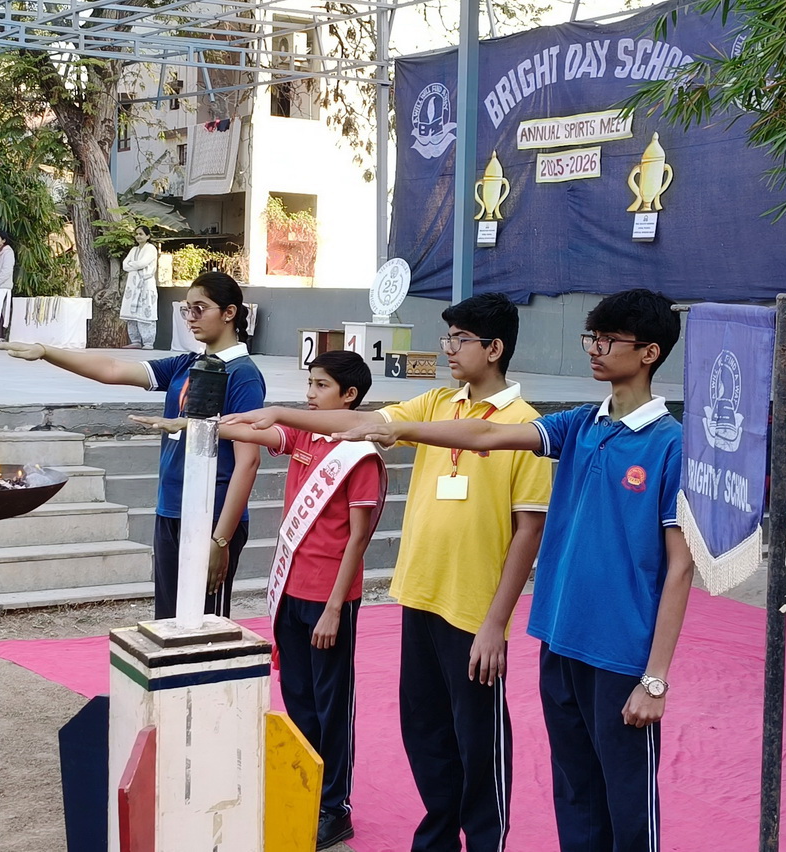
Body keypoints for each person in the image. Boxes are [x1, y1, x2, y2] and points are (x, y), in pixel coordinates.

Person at [329, 288, 694, 852]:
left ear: (649, 353)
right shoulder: (579, 425)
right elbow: (488, 435)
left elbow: (679, 567)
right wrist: (393, 427)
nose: (594, 350)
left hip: (620, 651)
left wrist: (655, 678)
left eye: (608, 340)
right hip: (559, 640)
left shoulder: (671, 445)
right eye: (591, 338)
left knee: (626, 801)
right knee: (575, 792)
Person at [224, 293, 552, 852]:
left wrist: (497, 623)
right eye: (448, 337)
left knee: (478, 737)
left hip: (474, 608)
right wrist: (281, 414)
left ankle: (485, 840)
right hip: (419, 595)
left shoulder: (526, 427)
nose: (448, 349)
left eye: (460, 339)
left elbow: (529, 531)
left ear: (494, 348)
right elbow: (360, 422)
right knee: (424, 729)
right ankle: (437, 837)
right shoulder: (437, 402)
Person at [133, 349, 385, 850]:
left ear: (350, 395)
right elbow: (253, 430)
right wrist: (190, 426)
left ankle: (335, 806)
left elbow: (359, 538)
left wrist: (335, 607)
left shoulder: (360, 453)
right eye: (309, 384)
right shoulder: (305, 435)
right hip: (291, 589)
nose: (310, 395)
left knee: (332, 703)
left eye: (321, 386)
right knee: (299, 695)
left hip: (329, 598)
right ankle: (305, 784)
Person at [0, 272, 264, 619]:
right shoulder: (188, 364)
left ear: (229, 313)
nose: (191, 318)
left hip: (212, 516)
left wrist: (221, 539)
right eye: (186, 310)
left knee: (204, 625)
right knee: (169, 620)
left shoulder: (242, 374)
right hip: (172, 508)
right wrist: (46, 351)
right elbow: (113, 368)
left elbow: (248, 461)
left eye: (200, 309)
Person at [120, 225, 159, 350]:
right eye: (136, 234)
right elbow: (124, 265)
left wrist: (132, 265)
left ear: (148, 236)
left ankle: (148, 342)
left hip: (145, 284)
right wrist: (135, 265)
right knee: (131, 313)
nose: (138, 236)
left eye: (141, 234)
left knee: (146, 311)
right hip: (132, 286)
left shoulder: (151, 248)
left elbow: (143, 263)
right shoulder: (134, 250)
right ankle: (135, 341)